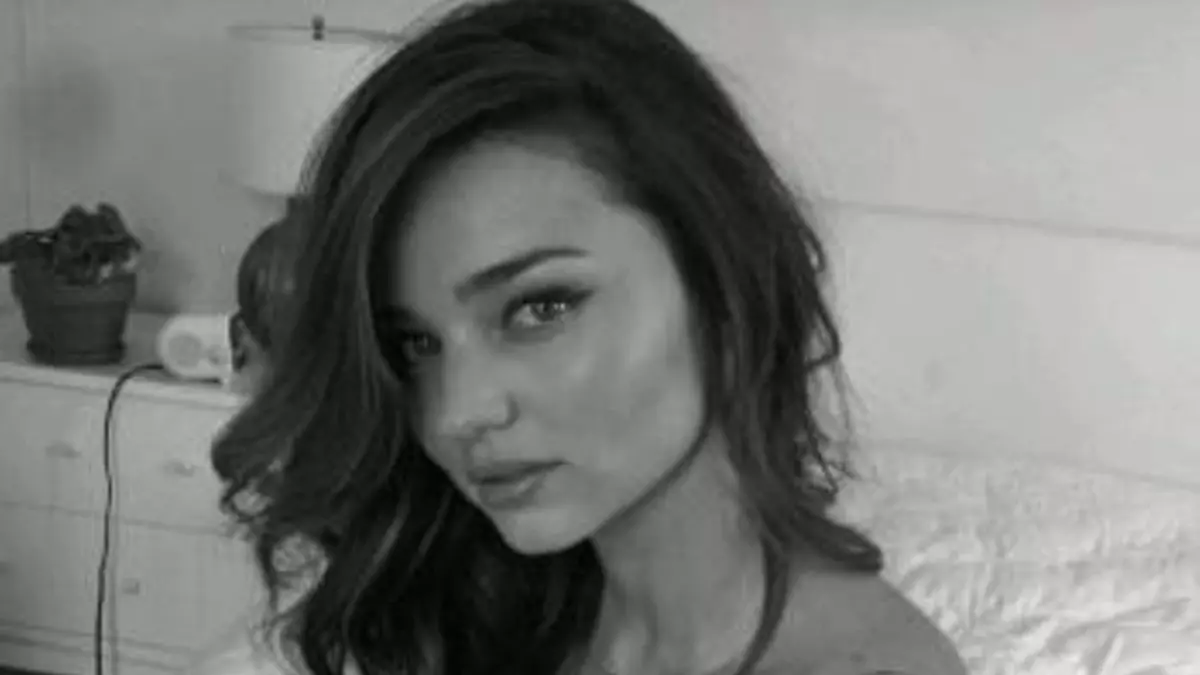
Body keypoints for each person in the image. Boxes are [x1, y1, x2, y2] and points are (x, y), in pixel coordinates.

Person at [210, 1, 967, 674]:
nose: (454, 413)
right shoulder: (492, 601)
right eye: (415, 344)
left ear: (724, 282)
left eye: (540, 307)